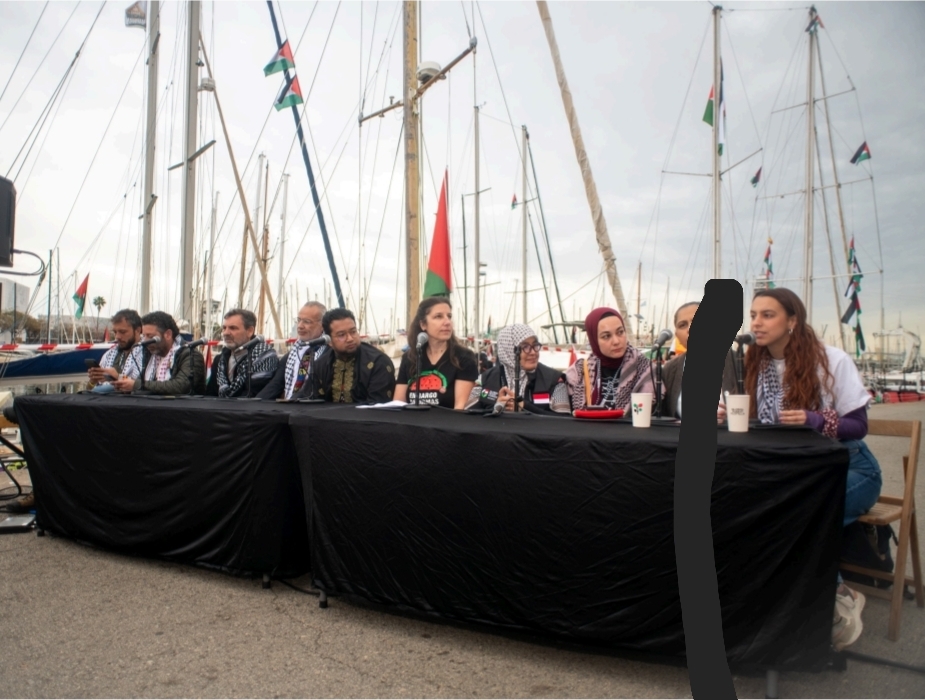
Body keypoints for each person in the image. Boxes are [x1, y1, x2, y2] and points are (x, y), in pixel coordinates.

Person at [733, 287, 879, 651]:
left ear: (792, 321)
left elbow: (859, 425)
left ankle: (839, 597)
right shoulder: (753, 362)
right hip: (796, 473)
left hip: (850, 467)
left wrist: (815, 420)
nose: (757, 322)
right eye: (753, 315)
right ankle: (785, 610)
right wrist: (730, 413)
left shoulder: (831, 359)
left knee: (800, 515)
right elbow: (757, 422)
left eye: (768, 315)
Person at [295, 308, 395, 404]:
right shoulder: (321, 364)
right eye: (341, 335)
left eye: (353, 331)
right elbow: (307, 399)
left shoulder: (377, 362)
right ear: (329, 341)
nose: (350, 338)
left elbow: (377, 408)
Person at [565, 307, 656, 412]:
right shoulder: (579, 371)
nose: (616, 341)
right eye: (606, 336)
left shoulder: (645, 369)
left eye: (620, 332)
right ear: (594, 340)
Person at [394, 297, 478, 409]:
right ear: (423, 324)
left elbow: (460, 408)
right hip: (413, 424)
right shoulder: (410, 357)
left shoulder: (463, 357)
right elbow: (398, 404)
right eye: (438, 316)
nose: (447, 322)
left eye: (449, 316)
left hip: (447, 424)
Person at [660, 301, 738, 419]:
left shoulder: (740, 362)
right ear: (677, 336)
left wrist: (733, 416)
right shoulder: (670, 370)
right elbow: (665, 416)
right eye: (682, 325)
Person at [470, 323, 570, 414]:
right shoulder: (484, 379)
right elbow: (468, 418)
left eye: (535, 345)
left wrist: (525, 407)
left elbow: (564, 423)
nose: (533, 352)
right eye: (525, 347)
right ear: (508, 350)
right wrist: (496, 408)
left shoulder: (555, 380)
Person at [112, 311, 206, 395]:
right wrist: (123, 384)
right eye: (144, 336)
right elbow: (140, 382)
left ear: (168, 335)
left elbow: (180, 386)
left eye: (150, 336)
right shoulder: (149, 353)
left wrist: (136, 385)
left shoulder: (190, 354)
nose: (145, 341)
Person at [257, 301, 328, 400]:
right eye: (299, 320)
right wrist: (253, 404)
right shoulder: (291, 355)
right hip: (290, 408)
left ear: (323, 325)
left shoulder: (329, 353)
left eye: (307, 321)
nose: (300, 326)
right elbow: (275, 386)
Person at [204, 308, 277, 398]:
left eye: (233, 328)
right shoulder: (220, 360)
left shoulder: (264, 357)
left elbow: (255, 394)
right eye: (224, 328)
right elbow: (210, 394)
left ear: (249, 331)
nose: (225, 333)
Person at [88, 308, 145, 393]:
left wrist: (118, 377)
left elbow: (143, 386)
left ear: (137, 330)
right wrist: (93, 381)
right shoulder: (109, 354)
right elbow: (89, 389)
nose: (117, 337)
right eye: (115, 332)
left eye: (122, 332)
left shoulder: (146, 354)